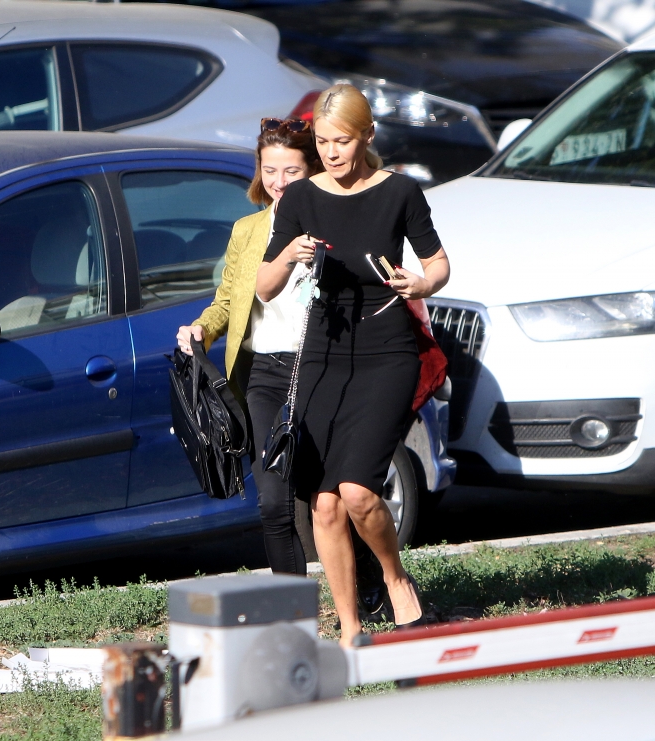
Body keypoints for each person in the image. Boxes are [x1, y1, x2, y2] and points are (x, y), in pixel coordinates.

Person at [257, 84, 451, 646]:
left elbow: (439, 264)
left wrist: (422, 283)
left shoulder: (400, 192)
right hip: (322, 355)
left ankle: (394, 577)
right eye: (322, 142)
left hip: (386, 352)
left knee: (359, 492)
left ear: (366, 136)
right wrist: (289, 255)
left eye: (341, 141)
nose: (331, 152)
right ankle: (350, 628)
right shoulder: (301, 198)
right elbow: (265, 288)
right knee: (323, 504)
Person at [176, 117, 323, 576]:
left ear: (313, 170)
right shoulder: (248, 230)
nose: (279, 182)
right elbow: (226, 301)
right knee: (274, 505)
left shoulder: (331, 224)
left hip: (322, 370)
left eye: (292, 171)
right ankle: (292, 609)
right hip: (264, 374)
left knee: (332, 501)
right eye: (270, 170)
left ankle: (371, 588)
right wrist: (201, 329)